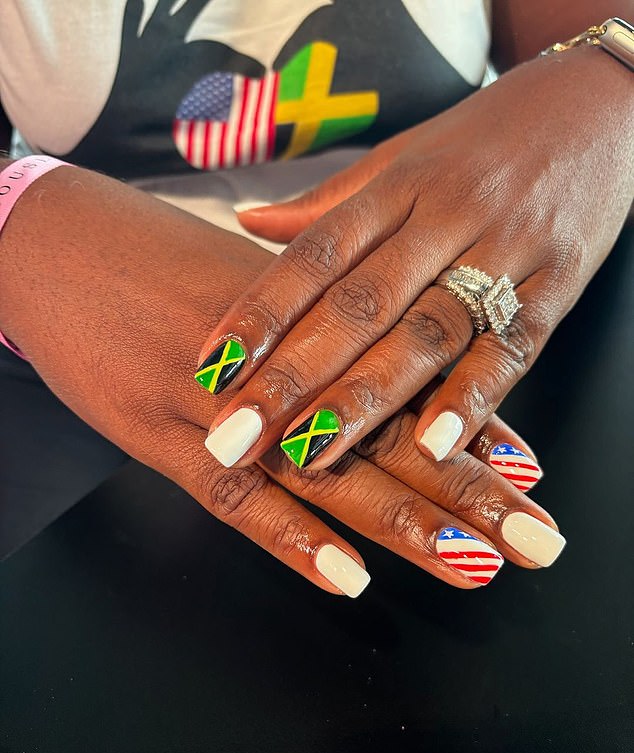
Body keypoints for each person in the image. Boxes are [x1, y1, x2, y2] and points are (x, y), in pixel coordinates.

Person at [0, 1, 630, 595]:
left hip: (474, 292)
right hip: (66, 307)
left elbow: (595, 23)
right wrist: (19, 215)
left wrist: (609, 84)